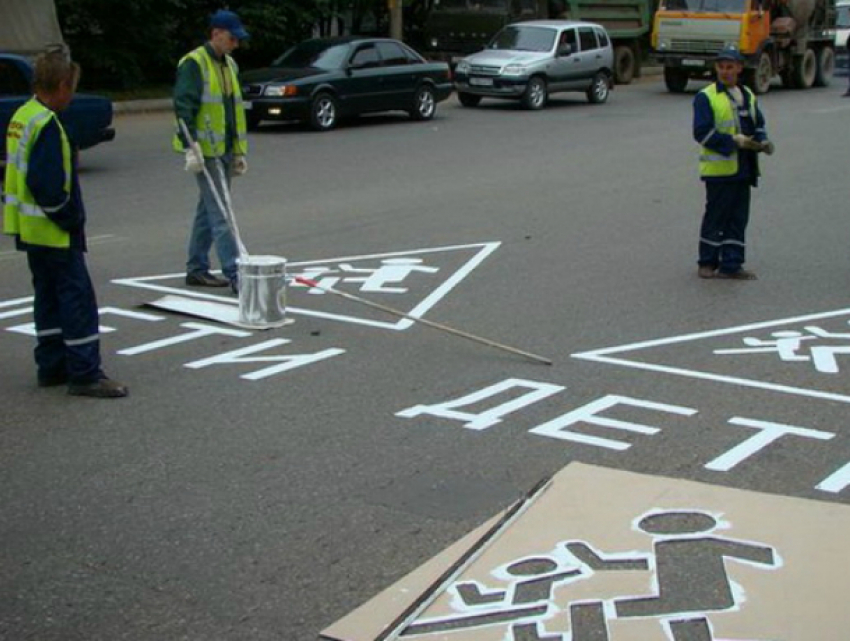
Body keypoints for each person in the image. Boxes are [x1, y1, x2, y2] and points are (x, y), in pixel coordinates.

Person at [2, 47, 128, 398]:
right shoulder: (47, 124)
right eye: (70, 88)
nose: (71, 96)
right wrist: (69, 217)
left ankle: (52, 365)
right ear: (59, 85)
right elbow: (48, 186)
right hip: (54, 231)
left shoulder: (23, 115)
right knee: (77, 300)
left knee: (48, 299)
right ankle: (85, 372)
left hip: (30, 232)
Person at [173, 9, 249, 294]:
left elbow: (233, 111)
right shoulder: (194, 63)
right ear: (216, 33)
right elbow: (184, 108)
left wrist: (239, 151)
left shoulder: (229, 65)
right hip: (205, 152)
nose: (235, 44)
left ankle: (196, 267)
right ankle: (236, 273)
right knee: (221, 213)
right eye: (232, 38)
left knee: (209, 209)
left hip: (225, 149)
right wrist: (191, 148)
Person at [692, 47, 774, 280]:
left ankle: (732, 263)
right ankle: (707, 262)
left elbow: (757, 123)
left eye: (730, 67)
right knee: (716, 216)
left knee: (738, 218)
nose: (725, 72)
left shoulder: (747, 94)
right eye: (721, 67)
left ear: (739, 67)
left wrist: (762, 139)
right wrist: (732, 141)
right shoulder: (706, 97)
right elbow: (701, 132)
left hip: (744, 168)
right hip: (719, 170)